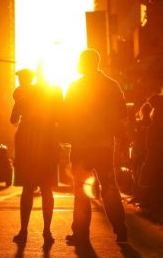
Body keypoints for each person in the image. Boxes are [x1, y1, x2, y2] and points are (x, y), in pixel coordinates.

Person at [61, 49, 129, 245]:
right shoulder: (111, 85)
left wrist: (66, 136)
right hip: (104, 145)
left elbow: (67, 115)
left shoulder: (75, 87)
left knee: (81, 190)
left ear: (84, 63)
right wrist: (121, 139)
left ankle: (81, 233)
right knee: (109, 186)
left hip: (82, 145)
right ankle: (120, 230)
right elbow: (122, 115)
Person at [10, 68, 62, 245]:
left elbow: (13, 118)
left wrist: (19, 99)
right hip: (47, 145)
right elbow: (60, 115)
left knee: (27, 189)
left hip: (28, 147)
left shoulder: (23, 93)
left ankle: (24, 231)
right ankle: (47, 232)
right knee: (47, 189)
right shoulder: (54, 92)